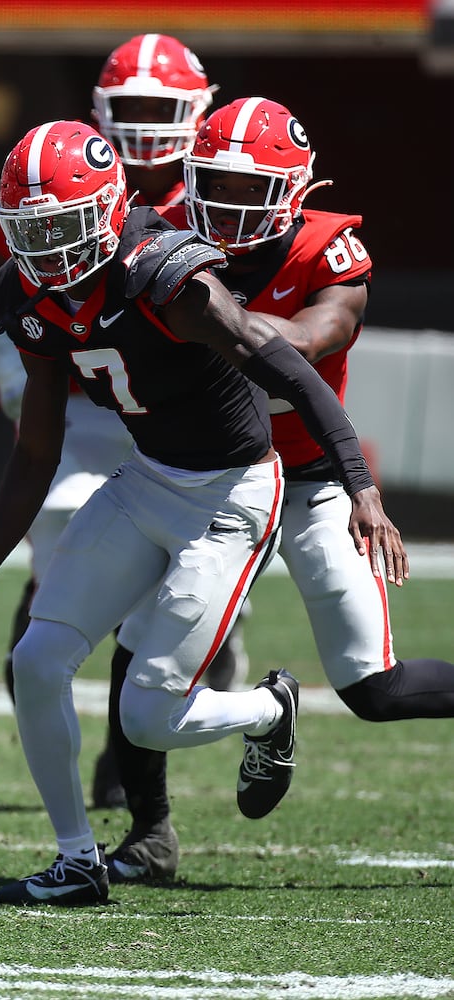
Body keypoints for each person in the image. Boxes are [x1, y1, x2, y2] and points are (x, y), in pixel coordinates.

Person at [0, 119, 405, 907]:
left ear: (109, 210)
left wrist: (359, 485)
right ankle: (75, 860)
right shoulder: (29, 291)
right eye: (30, 230)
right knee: (36, 661)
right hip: (148, 478)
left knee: (148, 715)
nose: (45, 247)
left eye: (61, 226)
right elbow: (35, 448)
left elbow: (289, 369)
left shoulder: (165, 277)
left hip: (230, 496)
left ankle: (268, 707)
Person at [104, 97, 454, 884]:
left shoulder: (327, 256)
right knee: (134, 651)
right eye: (213, 183)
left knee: (374, 687)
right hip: (212, 481)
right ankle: (148, 833)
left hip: (308, 480)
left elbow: (296, 343)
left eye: (248, 187)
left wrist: (197, 306)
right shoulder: (156, 229)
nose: (225, 207)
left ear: (295, 193)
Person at [0, 33, 244, 813]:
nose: (149, 125)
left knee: (179, 592)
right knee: (64, 541)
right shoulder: (61, 170)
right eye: (134, 109)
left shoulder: (219, 180)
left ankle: (158, 730)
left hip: (190, 418)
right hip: (87, 404)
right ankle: (54, 615)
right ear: (98, 113)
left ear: (200, 109)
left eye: (164, 109)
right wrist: (6, 360)